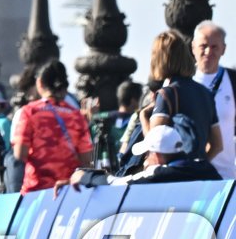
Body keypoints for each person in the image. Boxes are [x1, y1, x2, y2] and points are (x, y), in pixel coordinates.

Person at [141, 29, 222, 166]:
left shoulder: (167, 94)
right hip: (200, 175)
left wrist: (143, 116)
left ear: (159, 59)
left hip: (174, 178)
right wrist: (198, 166)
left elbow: (155, 145)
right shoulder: (205, 93)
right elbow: (217, 145)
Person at [13, 60, 93, 192]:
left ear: (39, 83)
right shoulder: (77, 116)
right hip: (69, 191)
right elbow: (86, 161)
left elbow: (19, 155)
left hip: (36, 191)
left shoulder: (29, 112)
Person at [69, 124, 222, 188]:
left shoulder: (158, 174)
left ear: (157, 155)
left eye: (147, 154)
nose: (145, 160)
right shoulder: (206, 168)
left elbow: (114, 184)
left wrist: (84, 176)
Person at [192, 21, 235, 179]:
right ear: (193, 47)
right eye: (203, 46)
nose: (208, 51)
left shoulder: (232, 80)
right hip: (192, 176)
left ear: (224, 49)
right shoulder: (181, 82)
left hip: (226, 176)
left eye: (215, 46)